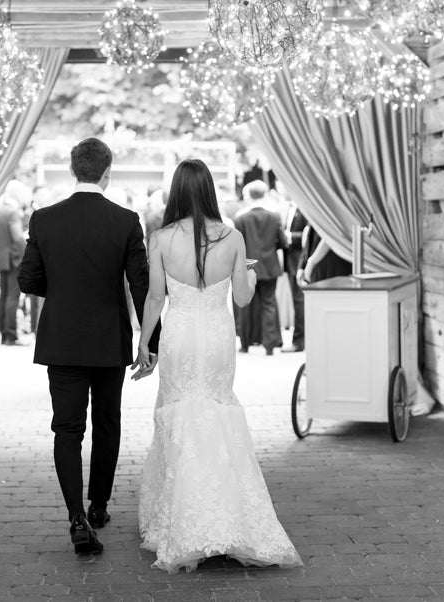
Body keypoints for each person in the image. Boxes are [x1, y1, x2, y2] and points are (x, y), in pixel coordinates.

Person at [135, 159, 303, 574]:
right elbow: (244, 299)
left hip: (178, 337)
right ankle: (230, 515)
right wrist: (242, 271)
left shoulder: (159, 238)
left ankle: (184, 521)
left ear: (176, 192)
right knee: (217, 411)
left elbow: (155, 299)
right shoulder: (231, 236)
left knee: (179, 415)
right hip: (215, 339)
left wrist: (143, 344)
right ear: (209, 190)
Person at [18, 138, 161, 556]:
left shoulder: (43, 219)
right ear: (107, 173)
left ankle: (76, 516)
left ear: (73, 169)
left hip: (61, 337)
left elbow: (28, 281)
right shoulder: (124, 220)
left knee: (66, 428)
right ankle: (98, 505)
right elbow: (141, 285)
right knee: (107, 422)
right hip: (107, 339)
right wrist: (150, 342)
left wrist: (60, 290)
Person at [233, 180, 289, 355]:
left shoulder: (240, 217)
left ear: (249, 195)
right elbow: (283, 242)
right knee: (269, 304)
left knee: (245, 305)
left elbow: (237, 244)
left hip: (247, 267)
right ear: (265, 194)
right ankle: (270, 345)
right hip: (269, 266)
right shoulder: (274, 216)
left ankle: (245, 343)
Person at [0, 180, 30, 346]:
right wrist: (25, 255)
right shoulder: (13, 213)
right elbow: (18, 239)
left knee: (4, 296)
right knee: (12, 297)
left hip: (2, 258)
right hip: (14, 260)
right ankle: (11, 335)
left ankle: (3, 333)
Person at [282, 200, 308, 352]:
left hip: (299, 260)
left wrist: (289, 236)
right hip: (291, 259)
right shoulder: (290, 208)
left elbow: (309, 233)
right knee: (297, 302)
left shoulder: (305, 208)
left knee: (299, 302)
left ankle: (299, 342)